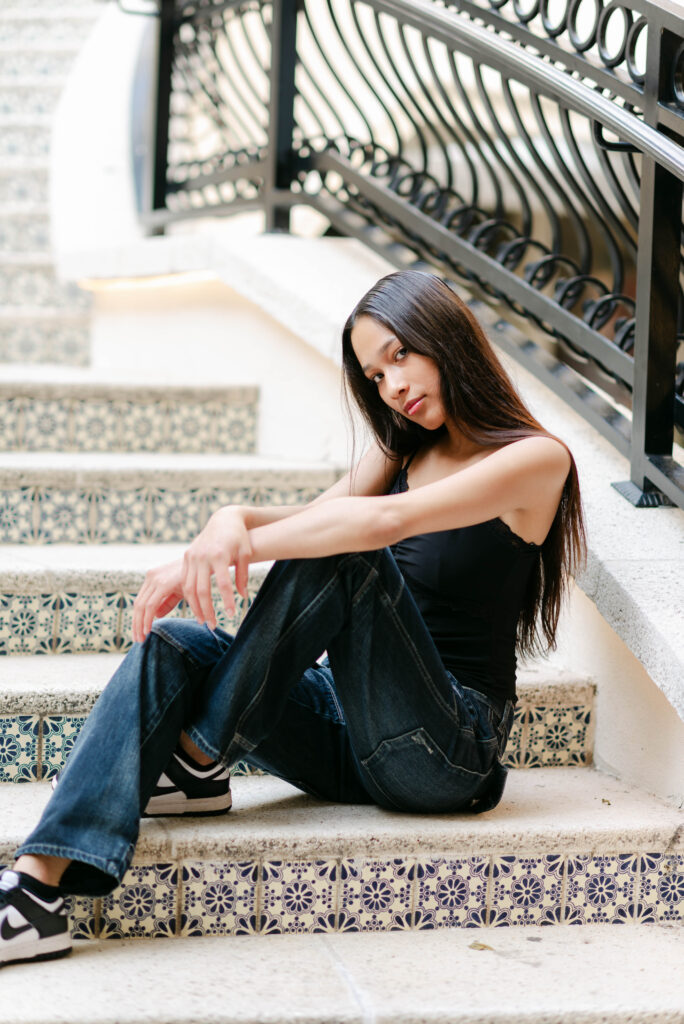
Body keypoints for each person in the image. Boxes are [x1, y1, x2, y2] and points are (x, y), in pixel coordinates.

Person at [0, 270, 585, 966]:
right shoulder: (402, 448)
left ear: (447, 338)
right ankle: (36, 891)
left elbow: (379, 522)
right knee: (172, 646)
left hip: (446, 752)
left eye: (401, 355)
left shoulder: (536, 460)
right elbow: (312, 518)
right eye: (374, 376)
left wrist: (241, 543)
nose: (391, 387)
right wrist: (230, 519)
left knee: (348, 552)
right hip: (350, 734)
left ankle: (197, 760)